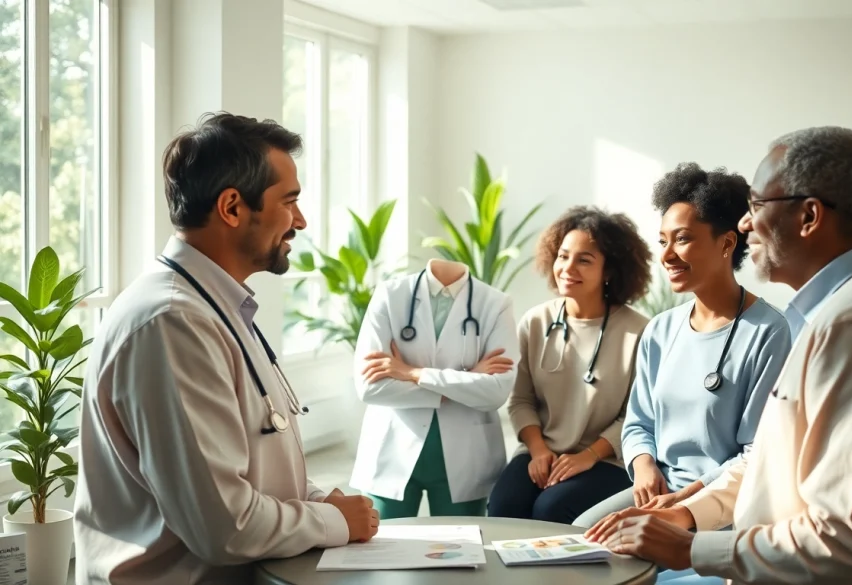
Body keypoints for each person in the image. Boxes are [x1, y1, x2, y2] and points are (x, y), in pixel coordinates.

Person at [587, 127, 852, 585]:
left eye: (756, 206)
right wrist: (689, 516)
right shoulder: (849, 311)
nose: (742, 224)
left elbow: (846, 544)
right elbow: (769, 462)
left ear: (810, 216)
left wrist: (690, 548)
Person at [73, 112, 379, 585]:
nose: (300, 220)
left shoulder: (212, 307)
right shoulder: (174, 323)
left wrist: (320, 503)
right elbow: (224, 526)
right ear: (233, 207)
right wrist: (336, 522)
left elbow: (247, 464)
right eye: (290, 201)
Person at [572, 164, 792, 535]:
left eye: (683, 239)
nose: (667, 255)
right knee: (581, 534)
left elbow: (759, 451)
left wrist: (691, 497)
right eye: (663, 241)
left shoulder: (769, 332)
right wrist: (643, 466)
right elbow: (639, 422)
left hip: (719, 506)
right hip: (658, 491)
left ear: (726, 243)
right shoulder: (661, 330)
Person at [486, 206, 653, 524]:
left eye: (584, 260)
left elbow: (634, 416)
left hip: (607, 459)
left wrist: (587, 457)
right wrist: (537, 450)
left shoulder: (639, 331)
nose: (567, 268)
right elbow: (521, 400)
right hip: (542, 451)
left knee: (552, 508)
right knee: (505, 505)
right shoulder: (536, 321)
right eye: (563, 256)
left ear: (609, 271)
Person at [350, 257, 519, 519]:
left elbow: (495, 392)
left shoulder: (495, 304)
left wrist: (411, 373)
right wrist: (467, 381)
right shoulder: (390, 295)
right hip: (392, 450)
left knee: (462, 550)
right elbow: (370, 387)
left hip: (466, 456)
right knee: (381, 551)